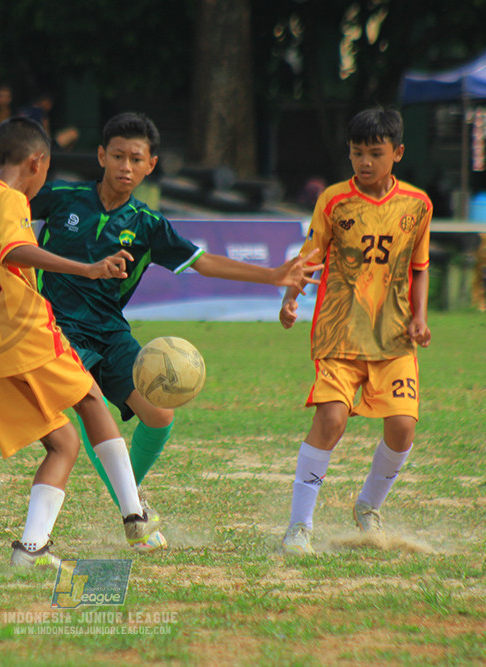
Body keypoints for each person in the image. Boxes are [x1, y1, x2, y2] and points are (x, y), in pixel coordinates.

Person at [30, 112, 321, 518]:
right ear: (101, 156)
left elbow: (205, 264)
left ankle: (124, 491)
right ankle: (131, 508)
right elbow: (6, 211)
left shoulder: (148, 225)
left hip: (110, 332)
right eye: (117, 156)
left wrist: (273, 275)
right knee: (91, 404)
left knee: (159, 413)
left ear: (151, 165)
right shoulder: (61, 198)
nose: (125, 167)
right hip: (57, 330)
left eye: (136, 159)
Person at [0, 116, 166, 568]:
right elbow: (14, 251)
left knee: (64, 443)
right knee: (92, 398)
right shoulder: (10, 199)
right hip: (21, 332)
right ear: (37, 163)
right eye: (45, 172)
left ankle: (30, 550)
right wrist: (87, 268)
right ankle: (135, 516)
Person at [276, 107, 432, 555]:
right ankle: (299, 527)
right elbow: (308, 259)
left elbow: (419, 268)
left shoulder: (417, 205)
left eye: (375, 153)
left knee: (402, 426)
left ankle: (368, 505)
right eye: (356, 153)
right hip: (340, 334)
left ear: (397, 153)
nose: (364, 162)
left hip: (394, 336)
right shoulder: (333, 200)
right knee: (331, 419)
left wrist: (420, 317)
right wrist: (290, 299)